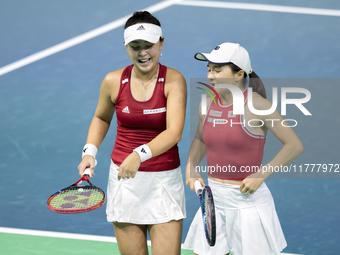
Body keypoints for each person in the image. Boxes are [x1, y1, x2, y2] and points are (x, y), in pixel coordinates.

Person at [77, 11, 187, 255]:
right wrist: (89, 152)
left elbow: (174, 132)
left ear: (161, 43)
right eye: (135, 46)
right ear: (126, 46)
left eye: (148, 45)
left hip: (163, 181)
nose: (142, 52)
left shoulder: (174, 80)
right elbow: (101, 117)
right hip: (125, 181)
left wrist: (139, 154)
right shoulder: (113, 80)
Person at [183, 42, 304, 255]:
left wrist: (260, 175)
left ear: (239, 74)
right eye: (209, 69)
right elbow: (200, 139)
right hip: (214, 199)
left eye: (218, 70)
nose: (211, 75)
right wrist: (191, 166)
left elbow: (294, 145)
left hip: (247, 202)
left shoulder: (259, 106)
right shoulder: (208, 102)